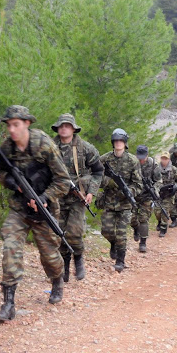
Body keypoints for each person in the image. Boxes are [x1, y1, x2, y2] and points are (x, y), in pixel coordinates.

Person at [0, 106, 70, 322]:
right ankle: (8, 303)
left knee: (49, 255)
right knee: (10, 246)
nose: (11, 130)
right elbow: (1, 173)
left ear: (27, 123)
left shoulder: (43, 144)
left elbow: (62, 180)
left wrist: (44, 198)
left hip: (44, 209)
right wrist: (14, 184)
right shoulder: (7, 147)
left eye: (15, 124)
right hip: (19, 208)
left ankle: (57, 280)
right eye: (8, 125)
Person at [51, 113, 103, 282]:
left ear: (73, 128)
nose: (64, 128)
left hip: (77, 197)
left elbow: (98, 171)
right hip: (57, 197)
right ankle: (64, 267)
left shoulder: (85, 148)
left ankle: (78, 258)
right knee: (59, 234)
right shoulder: (50, 147)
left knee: (74, 233)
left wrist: (91, 192)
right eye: (61, 125)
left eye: (67, 125)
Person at [97, 129, 143, 272]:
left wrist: (130, 192)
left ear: (125, 143)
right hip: (109, 201)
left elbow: (138, 184)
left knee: (121, 233)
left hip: (125, 204)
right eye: (116, 141)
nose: (118, 143)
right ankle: (113, 244)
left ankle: (120, 261)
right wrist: (108, 182)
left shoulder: (132, 161)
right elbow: (96, 176)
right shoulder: (104, 159)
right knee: (106, 231)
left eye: (121, 141)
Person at [130, 145, 162, 253]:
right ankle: (136, 229)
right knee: (132, 218)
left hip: (147, 196)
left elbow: (159, 181)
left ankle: (143, 242)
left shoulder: (153, 165)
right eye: (139, 157)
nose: (141, 159)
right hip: (134, 195)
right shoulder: (132, 164)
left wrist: (155, 189)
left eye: (143, 157)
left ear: (147, 155)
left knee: (143, 219)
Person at [155, 151, 177, 238]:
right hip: (158, 193)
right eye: (163, 158)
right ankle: (159, 222)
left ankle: (163, 228)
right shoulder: (156, 169)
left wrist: (175, 187)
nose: (164, 160)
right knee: (157, 211)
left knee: (165, 211)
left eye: (166, 159)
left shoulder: (173, 169)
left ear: (169, 159)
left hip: (169, 195)